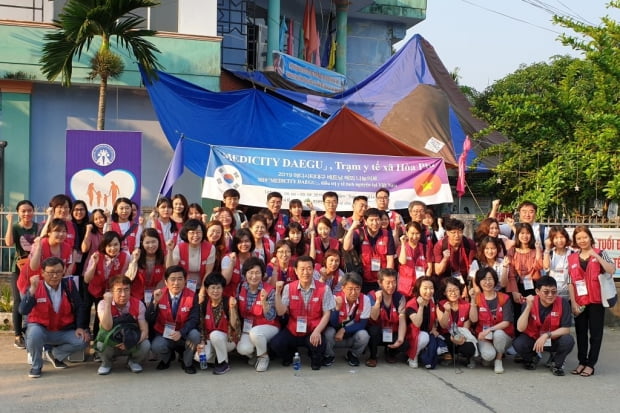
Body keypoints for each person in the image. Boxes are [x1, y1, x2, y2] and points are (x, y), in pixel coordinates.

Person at [19, 257, 89, 378]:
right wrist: (32, 291)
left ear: (64, 271)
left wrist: (79, 327)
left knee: (83, 340)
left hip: (62, 330)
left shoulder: (69, 285)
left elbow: (80, 307)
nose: (55, 276)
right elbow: (23, 310)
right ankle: (36, 366)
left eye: (58, 272)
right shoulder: (35, 286)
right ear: (42, 273)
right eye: (51, 273)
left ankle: (55, 354)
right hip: (42, 330)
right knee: (34, 333)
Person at [271, 255, 336, 370]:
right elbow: (281, 312)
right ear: (296, 271)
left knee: (318, 351)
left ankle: (315, 356)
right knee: (276, 344)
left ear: (313, 270)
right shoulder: (288, 288)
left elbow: (327, 313)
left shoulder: (324, 288)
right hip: (293, 328)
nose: (306, 272)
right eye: (302, 269)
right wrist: (277, 293)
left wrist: (317, 331)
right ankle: (290, 356)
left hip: (312, 329)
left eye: (309, 268)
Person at [567, 226, 615, 377]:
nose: (582, 240)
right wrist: (573, 302)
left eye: (584, 237)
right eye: (578, 238)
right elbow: (570, 282)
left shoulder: (601, 253)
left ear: (590, 237)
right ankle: (582, 361)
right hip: (580, 301)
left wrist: (597, 256)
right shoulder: (572, 257)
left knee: (595, 334)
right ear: (575, 240)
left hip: (596, 300)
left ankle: (591, 364)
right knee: (580, 333)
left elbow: (611, 269)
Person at [513, 276, 575, 376]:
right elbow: (520, 328)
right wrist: (529, 306)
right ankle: (533, 357)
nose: (550, 295)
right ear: (537, 291)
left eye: (554, 291)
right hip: (534, 339)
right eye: (546, 292)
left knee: (568, 340)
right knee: (518, 343)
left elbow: (566, 329)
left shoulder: (563, 303)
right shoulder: (530, 302)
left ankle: (556, 363)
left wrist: (546, 335)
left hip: (553, 339)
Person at [147, 266, 200, 374]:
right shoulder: (158, 294)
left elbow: (194, 319)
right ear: (166, 282)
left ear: (185, 281)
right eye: (173, 279)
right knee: (156, 346)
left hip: (184, 333)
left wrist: (181, 332)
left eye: (180, 279)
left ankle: (187, 362)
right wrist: (154, 303)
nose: (176, 283)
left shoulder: (192, 295)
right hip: (164, 333)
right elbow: (149, 319)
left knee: (195, 335)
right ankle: (167, 359)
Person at [95, 275, 150, 375]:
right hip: (112, 341)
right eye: (119, 290)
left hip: (131, 341)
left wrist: (130, 342)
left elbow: (144, 331)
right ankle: (106, 364)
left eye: (126, 290)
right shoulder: (102, 304)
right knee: (100, 344)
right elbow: (107, 327)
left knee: (146, 344)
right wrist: (108, 304)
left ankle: (133, 362)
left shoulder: (139, 304)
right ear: (111, 292)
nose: (123, 294)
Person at [4, 200, 39, 349]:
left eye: (29, 210)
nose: (26, 213)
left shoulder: (38, 227)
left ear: (33, 212)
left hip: (35, 268)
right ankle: (18, 335)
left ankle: (33, 331)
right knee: (18, 301)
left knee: (36, 299)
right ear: (19, 212)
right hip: (18, 268)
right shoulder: (16, 227)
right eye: (23, 211)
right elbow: (8, 243)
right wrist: (10, 221)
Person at [83, 231, 131, 338]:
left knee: (103, 316)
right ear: (104, 246)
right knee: (90, 312)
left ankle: (102, 338)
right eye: (109, 245)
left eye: (115, 244)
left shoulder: (126, 257)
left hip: (112, 291)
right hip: (95, 289)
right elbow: (87, 279)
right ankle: (91, 336)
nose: (113, 248)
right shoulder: (96, 255)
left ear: (120, 244)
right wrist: (94, 264)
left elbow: (124, 277)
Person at [235, 258, 279, 372]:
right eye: (250, 273)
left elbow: (271, 316)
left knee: (256, 333)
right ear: (245, 274)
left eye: (257, 273)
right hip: (248, 326)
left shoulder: (269, 290)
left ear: (263, 274)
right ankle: (255, 353)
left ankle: (263, 357)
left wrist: (264, 303)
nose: (254, 276)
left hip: (269, 325)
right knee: (243, 349)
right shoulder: (240, 287)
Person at [469, 267, 514, 374]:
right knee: (488, 356)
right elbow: (473, 319)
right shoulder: (477, 298)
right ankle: (490, 356)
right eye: (484, 279)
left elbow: (507, 322)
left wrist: (490, 330)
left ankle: (499, 359)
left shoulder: (504, 298)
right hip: (484, 337)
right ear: (479, 282)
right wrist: (472, 300)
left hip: (503, 336)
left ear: (495, 280)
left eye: (490, 279)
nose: (487, 282)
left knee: (498, 334)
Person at [343, 208, 396, 293]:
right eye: (371, 220)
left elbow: (390, 259)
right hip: (363, 279)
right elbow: (346, 247)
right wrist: (351, 228)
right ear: (365, 221)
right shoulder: (359, 233)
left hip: (380, 280)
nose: (375, 223)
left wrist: (387, 281)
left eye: (377, 220)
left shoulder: (387, 234)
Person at [323, 272, 371, 367]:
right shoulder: (335, 298)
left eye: (357, 288)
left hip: (351, 333)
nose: (353, 292)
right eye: (350, 289)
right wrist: (337, 309)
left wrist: (344, 330)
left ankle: (353, 354)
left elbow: (362, 324)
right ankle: (329, 355)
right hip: (335, 335)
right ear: (343, 288)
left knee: (364, 335)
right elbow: (332, 323)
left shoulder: (365, 299)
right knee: (328, 332)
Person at [197, 272, 240, 375]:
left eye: (218, 288)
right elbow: (201, 326)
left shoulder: (229, 301)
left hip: (228, 340)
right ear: (207, 290)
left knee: (215, 334)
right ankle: (216, 357)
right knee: (200, 357)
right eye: (212, 288)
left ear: (222, 289)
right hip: (210, 339)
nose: (215, 291)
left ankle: (223, 363)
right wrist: (202, 342)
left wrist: (233, 309)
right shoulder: (203, 305)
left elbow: (235, 326)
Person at [366, 268, 407, 367]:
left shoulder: (400, 297)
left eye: (394, 282)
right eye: (388, 283)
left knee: (405, 343)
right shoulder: (372, 295)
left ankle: (390, 353)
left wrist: (400, 339)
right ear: (380, 283)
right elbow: (374, 317)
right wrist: (377, 302)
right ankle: (373, 356)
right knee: (373, 331)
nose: (391, 286)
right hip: (378, 332)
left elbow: (402, 319)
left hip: (391, 330)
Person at [167, 219, 216, 293]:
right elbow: (170, 269)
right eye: (192, 233)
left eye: (198, 232)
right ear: (186, 234)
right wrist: (170, 251)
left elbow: (208, 272)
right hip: (182, 286)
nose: (195, 235)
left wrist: (202, 291)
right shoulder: (180, 247)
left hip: (203, 285)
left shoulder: (210, 248)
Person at [436, 277, 476, 366]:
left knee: (469, 348)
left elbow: (466, 326)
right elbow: (443, 325)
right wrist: (447, 311)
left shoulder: (466, 305)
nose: (453, 293)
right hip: (446, 335)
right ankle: (448, 356)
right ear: (444, 292)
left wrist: (461, 338)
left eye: (456, 290)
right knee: (445, 342)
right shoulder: (440, 305)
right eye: (449, 290)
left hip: (461, 333)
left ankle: (466, 357)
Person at [432, 218, 476, 291]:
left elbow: (473, 267)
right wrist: (445, 259)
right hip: (445, 280)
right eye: (453, 232)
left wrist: (467, 286)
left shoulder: (469, 244)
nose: (457, 235)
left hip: (464, 279)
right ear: (447, 233)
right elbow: (438, 271)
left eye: (460, 232)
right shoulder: (440, 245)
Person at [405, 276, 438, 368]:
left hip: (427, 332)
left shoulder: (432, 302)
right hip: (411, 335)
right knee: (424, 337)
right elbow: (417, 323)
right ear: (418, 289)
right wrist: (421, 306)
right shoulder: (411, 304)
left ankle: (421, 355)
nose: (429, 291)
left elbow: (435, 318)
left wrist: (434, 328)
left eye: (431, 288)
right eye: (425, 288)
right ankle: (413, 356)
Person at [506, 223, 543, 306]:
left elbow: (539, 266)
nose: (525, 236)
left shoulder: (536, 250)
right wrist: (514, 291)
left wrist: (537, 250)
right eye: (522, 233)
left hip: (534, 286)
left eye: (528, 233)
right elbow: (511, 274)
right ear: (517, 234)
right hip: (517, 286)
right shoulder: (512, 251)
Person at [125, 228, 166, 303]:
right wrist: (135, 261)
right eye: (147, 242)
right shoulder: (136, 255)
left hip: (157, 294)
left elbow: (167, 277)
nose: (151, 245)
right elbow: (128, 278)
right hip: (137, 295)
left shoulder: (163, 256)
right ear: (142, 243)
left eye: (154, 242)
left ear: (158, 242)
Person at [398, 221, 431, 299]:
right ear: (406, 233)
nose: (415, 236)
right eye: (412, 233)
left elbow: (429, 268)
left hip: (420, 288)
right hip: (405, 289)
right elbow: (402, 261)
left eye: (417, 233)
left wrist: (425, 285)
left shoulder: (425, 248)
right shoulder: (402, 248)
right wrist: (403, 244)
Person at [221, 228, 255, 299]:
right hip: (230, 298)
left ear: (252, 242)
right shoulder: (228, 258)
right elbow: (225, 281)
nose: (244, 244)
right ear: (235, 244)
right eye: (240, 242)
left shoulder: (256, 257)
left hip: (249, 298)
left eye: (247, 241)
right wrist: (232, 263)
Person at [543, 226, 572, 299]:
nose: (559, 240)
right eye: (556, 238)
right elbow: (546, 267)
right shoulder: (550, 253)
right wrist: (547, 249)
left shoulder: (571, 253)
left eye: (562, 237)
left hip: (568, 293)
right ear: (551, 240)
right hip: (552, 294)